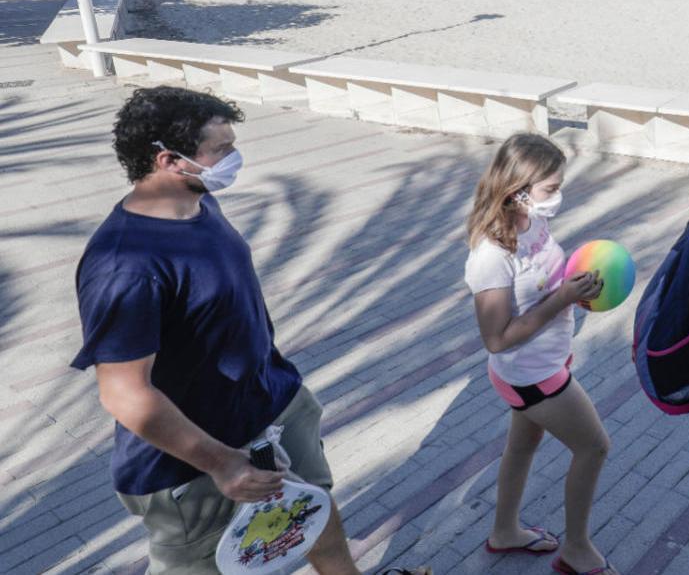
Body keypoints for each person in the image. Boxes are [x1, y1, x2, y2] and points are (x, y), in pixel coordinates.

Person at [70, 87, 429, 575]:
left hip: (273, 410)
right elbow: (123, 393)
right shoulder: (125, 264)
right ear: (167, 160)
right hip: (190, 465)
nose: (233, 158)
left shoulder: (196, 203)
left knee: (315, 516)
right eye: (220, 149)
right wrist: (221, 463)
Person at [464, 133, 619, 575]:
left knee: (522, 446)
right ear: (517, 191)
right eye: (550, 189)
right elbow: (496, 338)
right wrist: (563, 298)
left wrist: (578, 287)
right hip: (530, 373)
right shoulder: (491, 257)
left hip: (545, 361)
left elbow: (542, 286)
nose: (558, 197)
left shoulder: (531, 221)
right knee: (594, 447)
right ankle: (576, 549)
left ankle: (505, 531)